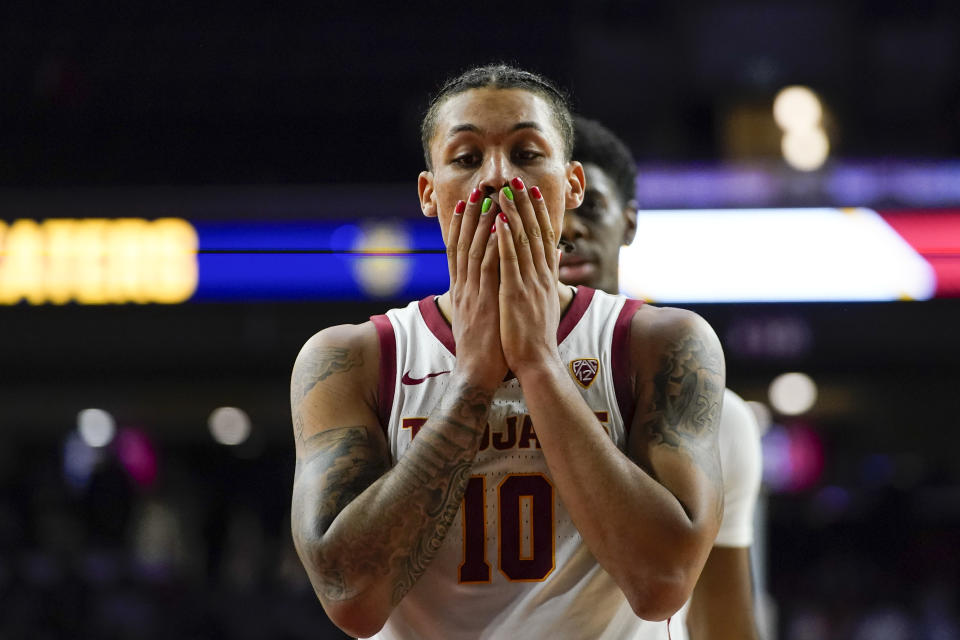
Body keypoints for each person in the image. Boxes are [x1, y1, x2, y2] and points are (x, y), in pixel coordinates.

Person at [289, 64, 726, 640]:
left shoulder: (657, 342)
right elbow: (352, 600)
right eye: (467, 158)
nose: (497, 178)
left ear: (571, 185)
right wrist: (471, 383)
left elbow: (662, 585)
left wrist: (539, 366)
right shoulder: (353, 358)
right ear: (429, 192)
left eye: (525, 154)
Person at [559, 115, 763, 640]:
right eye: (546, 211)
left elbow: (725, 620)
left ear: (629, 223)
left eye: (589, 206)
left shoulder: (719, 415)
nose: (567, 229)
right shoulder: (419, 375)